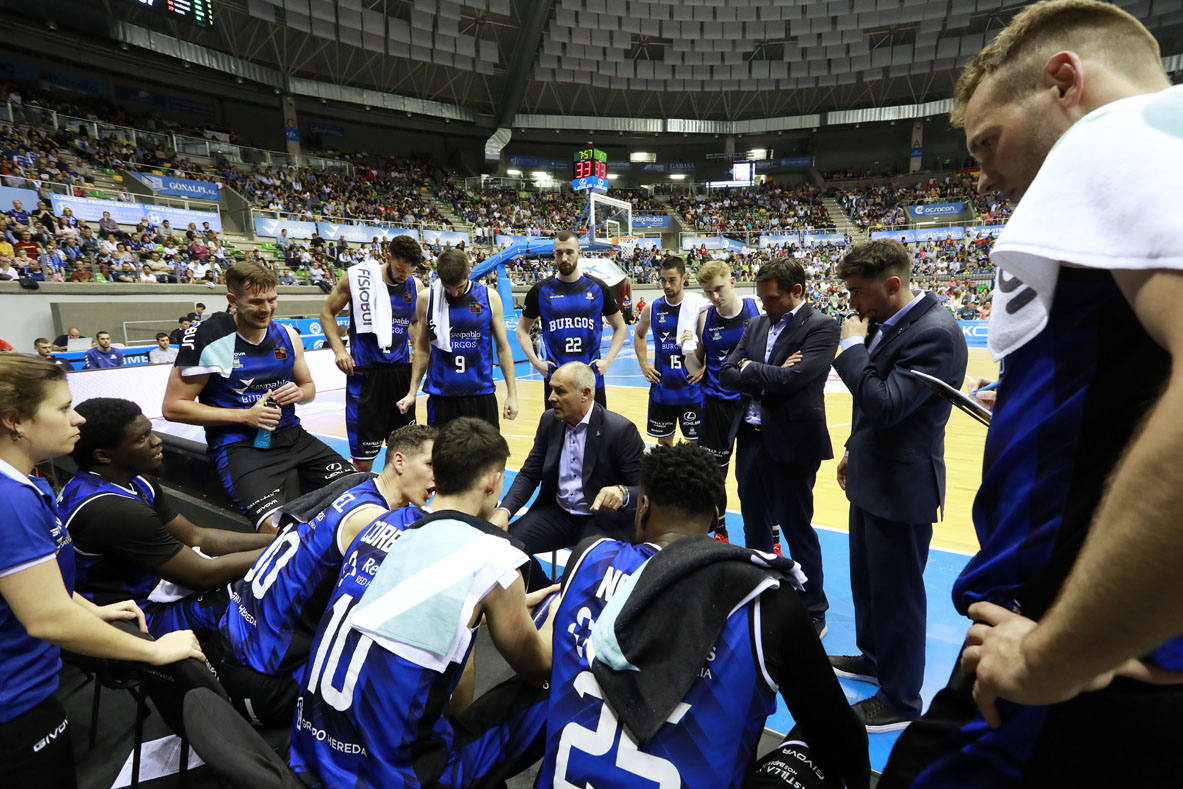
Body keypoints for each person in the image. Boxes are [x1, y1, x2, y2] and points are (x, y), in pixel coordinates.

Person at [882, 2, 1183, 786]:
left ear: (1062, 82)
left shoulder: (1112, 135)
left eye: (988, 142)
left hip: (1054, 663)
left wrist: (1060, 654)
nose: (981, 175)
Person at [535, 442, 870, 789]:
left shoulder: (590, 556)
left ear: (643, 508)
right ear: (714, 518)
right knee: (835, 733)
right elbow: (838, 739)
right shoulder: (765, 600)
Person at [290, 417, 556, 787]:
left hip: (312, 748)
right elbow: (537, 665)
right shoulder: (494, 557)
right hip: (384, 775)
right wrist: (556, 611)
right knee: (550, 688)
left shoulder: (386, 522)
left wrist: (489, 608)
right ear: (495, 481)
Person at [0, 355, 203, 788]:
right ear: (15, 420)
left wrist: (90, 610)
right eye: (62, 408)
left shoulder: (26, 484)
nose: (77, 418)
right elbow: (45, 617)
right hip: (14, 706)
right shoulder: (9, 502)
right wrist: (155, 651)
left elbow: (29, 587)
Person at [828, 239, 968, 732]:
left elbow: (887, 401)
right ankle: (873, 658)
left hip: (903, 487)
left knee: (899, 598)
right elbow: (875, 404)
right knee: (867, 586)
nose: (852, 304)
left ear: (892, 285)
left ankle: (901, 698)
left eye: (859, 292)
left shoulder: (936, 334)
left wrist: (847, 350)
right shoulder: (896, 322)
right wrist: (852, 448)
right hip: (872, 474)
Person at [215, 424, 437, 726]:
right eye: (430, 465)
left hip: (232, 642)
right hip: (265, 681)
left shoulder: (357, 487)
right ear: (399, 461)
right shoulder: (374, 521)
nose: (438, 477)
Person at [161, 262, 352, 532]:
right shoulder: (209, 340)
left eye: (272, 299)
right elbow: (173, 408)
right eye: (256, 302)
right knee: (276, 529)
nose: (266, 309)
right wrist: (245, 416)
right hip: (239, 446)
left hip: (293, 437)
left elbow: (308, 387)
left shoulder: (287, 335)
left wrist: (299, 393)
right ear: (232, 300)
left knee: (362, 495)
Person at [61, 398, 273, 639]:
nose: (157, 441)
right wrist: (291, 546)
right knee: (257, 592)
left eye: (151, 431)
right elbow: (204, 574)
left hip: (146, 593)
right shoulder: (113, 509)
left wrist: (278, 538)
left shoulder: (133, 482)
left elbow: (198, 536)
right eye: (142, 438)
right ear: (103, 455)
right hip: (131, 620)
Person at [719, 258, 838, 636]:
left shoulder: (822, 326)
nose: (764, 305)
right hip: (750, 439)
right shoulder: (755, 323)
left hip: (792, 443)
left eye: (771, 299)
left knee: (796, 527)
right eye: (761, 298)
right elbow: (726, 373)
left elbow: (795, 380)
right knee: (754, 524)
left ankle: (812, 605)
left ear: (796, 292)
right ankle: (762, 591)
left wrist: (750, 368)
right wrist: (767, 371)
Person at [491, 362, 643, 557]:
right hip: (557, 514)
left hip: (600, 520)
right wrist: (504, 510)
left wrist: (622, 492)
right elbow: (530, 473)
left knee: (586, 569)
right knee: (504, 549)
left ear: (585, 394)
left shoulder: (620, 430)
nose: (551, 397)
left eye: (560, 391)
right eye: (551, 389)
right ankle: (544, 586)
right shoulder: (549, 421)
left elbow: (645, 489)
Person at [319, 235, 425, 471]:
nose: (402, 276)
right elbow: (327, 313)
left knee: (406, 452)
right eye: (399, 269)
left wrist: (416, 347)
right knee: (363, 460)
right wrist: (339, 351)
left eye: (408, 272)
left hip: (399, 374)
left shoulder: (415, 286)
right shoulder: (357, 278)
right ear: (388, 256)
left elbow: (415, 322)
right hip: (366, 374)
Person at [396, 248, 519, 428]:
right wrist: (412, 392)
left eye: (459, 288)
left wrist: (512, 394)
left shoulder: (489, 298)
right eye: (448, 288)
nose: (454, 294)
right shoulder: (426, 299)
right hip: (441, 398)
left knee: (487, 456)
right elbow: (422, 349)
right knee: (443, 456)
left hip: (480, 395)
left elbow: (503, 348)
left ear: (469, 272)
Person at [515, 230, 627, 407]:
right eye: (559, 253)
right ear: (554, 254)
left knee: (594, 433)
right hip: (556, 383)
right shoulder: (540, 290)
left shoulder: (598, 287)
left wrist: (608, 360)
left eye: (569, 252)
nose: (564, 258)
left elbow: (620, 327)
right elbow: (522, 330)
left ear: (579, 253)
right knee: (557, 433)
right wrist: (536, 363)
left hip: (591, 381)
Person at [692, 259, 761, 537]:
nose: (715, 297)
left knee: (754, 476)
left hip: (750, 404)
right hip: (716, 404)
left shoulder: (756, 310)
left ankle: (767, 534)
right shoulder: (704, 318)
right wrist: (687, 351)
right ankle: (719, 531)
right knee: (713, 475)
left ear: (732, 282)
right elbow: (696, 368)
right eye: (708, 292)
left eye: (719, 289)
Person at [634, 255, 702, 445]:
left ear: (684, 278)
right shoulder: (653, 307)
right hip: (663, 389)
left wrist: (705, 368)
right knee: (663, 449)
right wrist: (644, 365)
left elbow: (709, 341)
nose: (666, 285)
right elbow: (639, 334)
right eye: (663, 279)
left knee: (694, 449)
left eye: (672, 280)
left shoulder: (697, 306)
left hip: (691, 389)